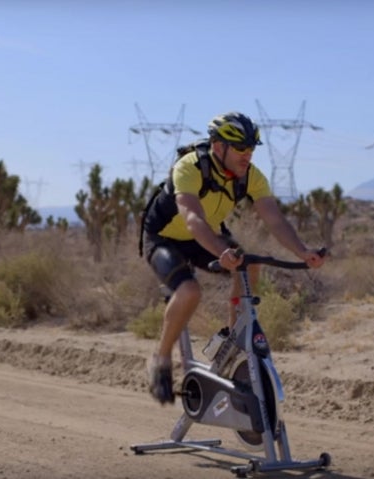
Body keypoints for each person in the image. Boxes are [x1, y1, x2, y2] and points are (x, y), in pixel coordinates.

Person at [140, 111, 326, 405]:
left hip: (206, 236)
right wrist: (221, 252)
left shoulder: (250, 175)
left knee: (249, 267)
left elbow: (274, 219)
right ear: (218, 146)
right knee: (189, 291)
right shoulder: (190, 167)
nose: (247, 154)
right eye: (240, 148)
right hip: (165, 238)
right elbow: (192, 218)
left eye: (251, 148)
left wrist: (302, 251)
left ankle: (232, 342)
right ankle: (160, 359)